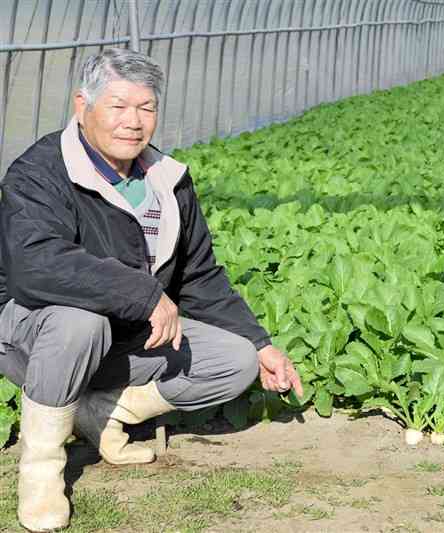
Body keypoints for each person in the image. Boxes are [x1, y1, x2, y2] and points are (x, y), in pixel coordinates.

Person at [0, 48, 302, 531]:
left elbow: (198, 276)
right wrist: (143, 294)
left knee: (235, 360)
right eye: (118, 106)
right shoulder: (41, 172)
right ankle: (41, 471)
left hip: (124, 337)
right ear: (83, 105)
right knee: (81, 319)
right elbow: (36, 266)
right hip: (33, 334)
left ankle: (100, 410)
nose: (134, 122)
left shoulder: (167, 179)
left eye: (146, 108)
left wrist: (261, 342)